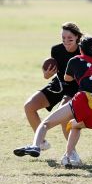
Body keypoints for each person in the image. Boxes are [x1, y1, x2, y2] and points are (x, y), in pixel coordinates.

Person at [13, 36, 92, 167]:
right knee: (74, 125)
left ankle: (35, 146)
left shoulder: (75, 60)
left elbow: (67, 79)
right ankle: (68, 157)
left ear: (80, 48)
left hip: (84, 99)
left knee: (46, 123)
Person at [23, 22, 83, 161]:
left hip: (75, 90)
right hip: (58, 85)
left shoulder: (83, 52)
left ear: (77, 37)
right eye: (63, 37)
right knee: (29, 106)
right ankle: (41, 142)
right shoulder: (56, 50)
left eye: (70, 38)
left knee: (64, 116)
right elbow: (50, 74)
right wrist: (46, 75)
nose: (66, 41)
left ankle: (72, 153)